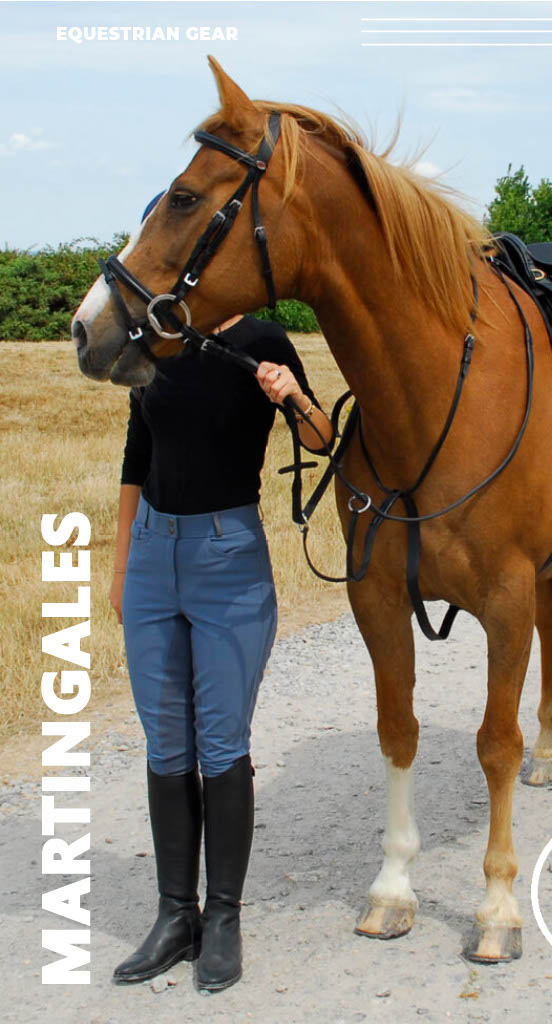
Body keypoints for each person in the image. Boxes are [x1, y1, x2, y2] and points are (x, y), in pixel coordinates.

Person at [108, 286, 333, 990]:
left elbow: (322, 439)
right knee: (165, 742)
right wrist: (120, 568)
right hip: (151, 557)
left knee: (222, 743)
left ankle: (224, 919)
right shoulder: (153, 342)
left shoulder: (261, 340)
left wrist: (290, 392)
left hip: (226, 560)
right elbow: (135, 456)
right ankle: (176, 914)